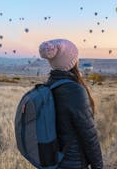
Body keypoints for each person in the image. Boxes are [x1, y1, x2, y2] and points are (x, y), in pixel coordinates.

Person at [39, 39, 103, 169]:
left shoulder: (49, 86)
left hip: (52, 161)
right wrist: (98, 166)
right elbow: (89, 135)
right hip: (73, 162)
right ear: (73, 62)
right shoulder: (75, 91)